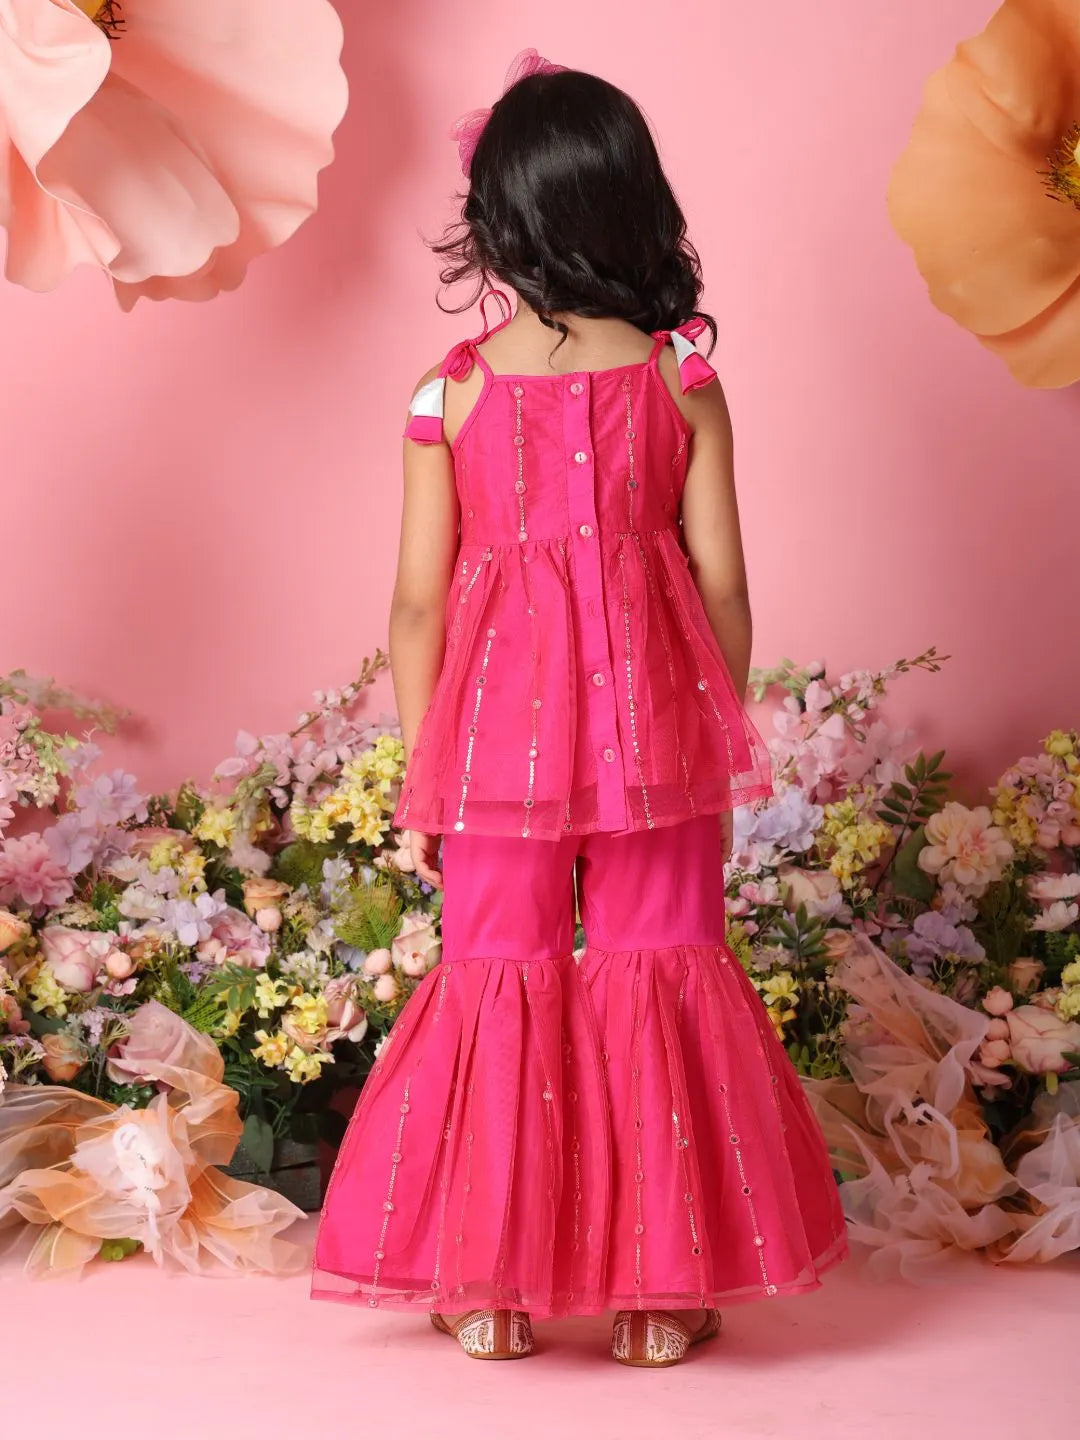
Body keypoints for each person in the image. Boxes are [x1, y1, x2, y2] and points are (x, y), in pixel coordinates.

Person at [312, 49, 848, 1368]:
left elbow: (416, 609)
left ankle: (489, 1290)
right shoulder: (682, 382)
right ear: (633, 206)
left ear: (495, 220)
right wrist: (707, 732)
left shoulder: (449, 391)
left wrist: (427, 769)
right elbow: (724, 588)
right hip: (657, 741)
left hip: (492, 752)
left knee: (496, 977)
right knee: (662, 973)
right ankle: (658, 1298)